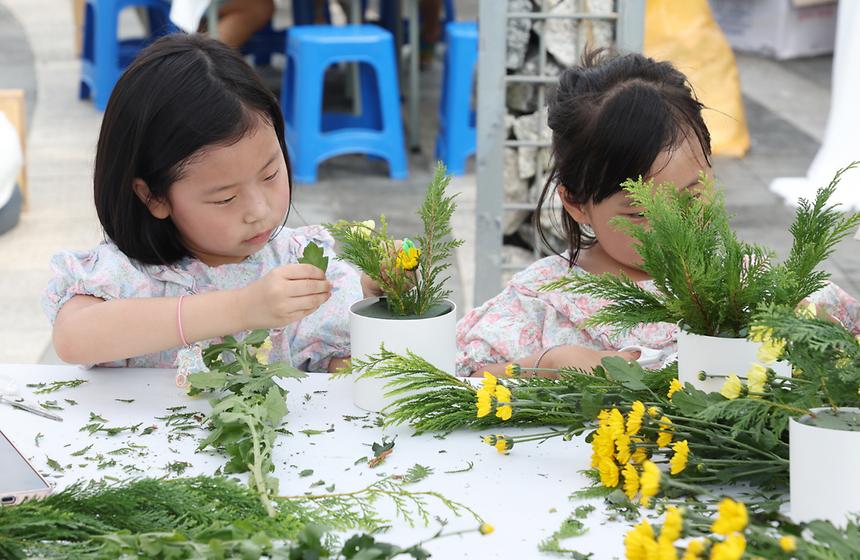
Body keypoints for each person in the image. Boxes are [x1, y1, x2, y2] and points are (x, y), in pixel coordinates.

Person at [456, 50, 860, 378]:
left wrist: (819, 333)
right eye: (638, 212)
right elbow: (458, 375)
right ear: (577, 203)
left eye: (692, 195)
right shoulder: (543, 298)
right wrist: (543, 367)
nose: (673, 228)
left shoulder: (746, 282)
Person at [43, 34, 379, 372]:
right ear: (153, 196)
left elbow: (332, 344)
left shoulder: (294, 261)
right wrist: (241, 309)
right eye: (226, 197)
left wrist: (382, 283)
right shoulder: (129, 276)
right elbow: (74, 338)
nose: (258, 211)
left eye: (270, 175)